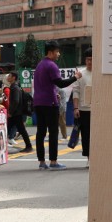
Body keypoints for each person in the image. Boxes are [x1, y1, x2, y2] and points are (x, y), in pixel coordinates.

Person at [33, 42, 79, 170]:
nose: (58, 54)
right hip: (50, 103)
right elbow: (61, 83)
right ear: (51, 52)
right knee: (53, 132)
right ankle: (53, 162)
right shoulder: (52, 66)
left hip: (38, 103)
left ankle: (42, 162)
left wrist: (54, 93)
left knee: (40, 133)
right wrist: (75, 77)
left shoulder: (40, 65)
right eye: (57, 52)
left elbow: (46, 85)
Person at [71, 48, 93, 168]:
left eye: (92, 59)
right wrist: (75, 108)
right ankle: (89, 159)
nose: (90, 62)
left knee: (98, 136)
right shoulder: (80, 74)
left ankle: (98, 157)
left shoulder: (100, 74)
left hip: (97, 110)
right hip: (84, 109)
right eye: (88, 59)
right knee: (86, 136)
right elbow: (76, 92)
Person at [4, 71, 32, 153]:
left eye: (9, 75)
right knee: (7, 129)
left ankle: (29, 146)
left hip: (16, 114)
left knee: (20, 130)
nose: (8, 77)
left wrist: (11, 112)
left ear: (13, 78)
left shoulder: (14, 88)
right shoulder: (15, 87)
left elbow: (16, 101)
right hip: (16, 113)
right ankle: (28, 146)